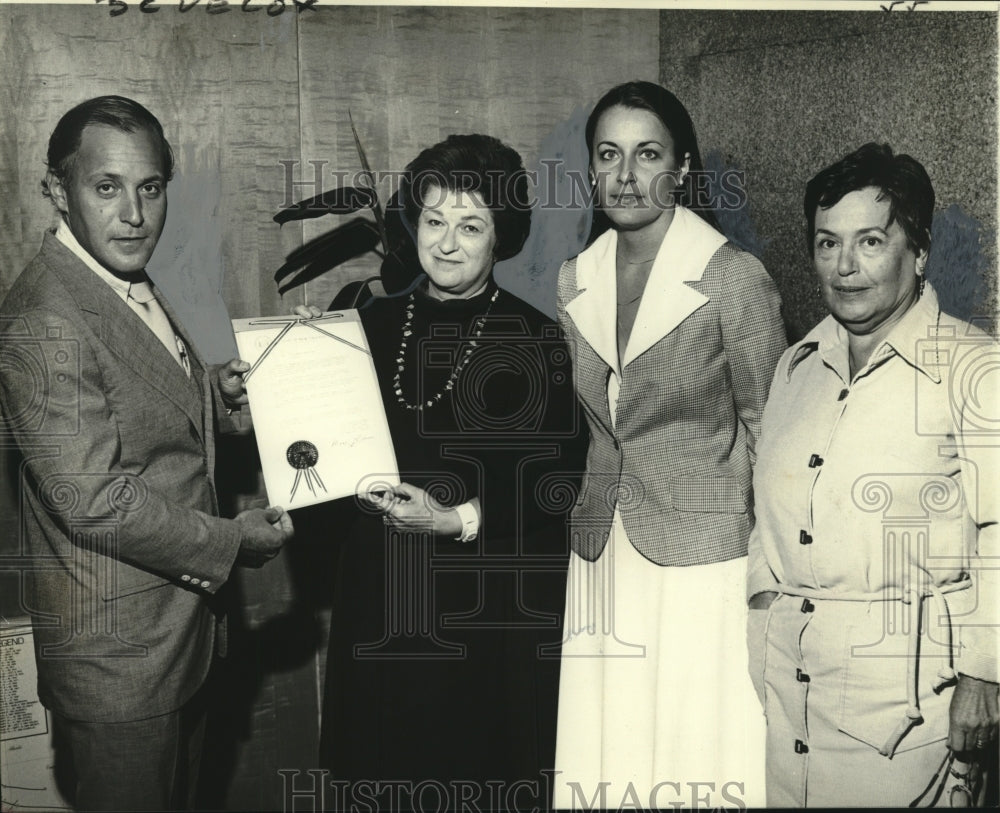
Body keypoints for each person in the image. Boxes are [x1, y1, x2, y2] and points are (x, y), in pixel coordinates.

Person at [0, 95, 293, 812]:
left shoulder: (117, 276)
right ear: (56, 190)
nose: (133, 212)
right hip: (118, 664)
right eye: (107, 187)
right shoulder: (44, 317)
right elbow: (95, 500)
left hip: (172, 641)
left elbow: (144, 415)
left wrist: (218, 403)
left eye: (150, 187)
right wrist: (231, 540)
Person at [294, 134, 585, 811]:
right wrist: (295, 371)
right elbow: (318, 457)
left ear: (500, 236)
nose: (447, 243)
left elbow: (561, 478)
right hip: (378, 595)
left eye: (470, 225)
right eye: (434, 221)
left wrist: (455, 518)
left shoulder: (536, 337)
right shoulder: (364, 323)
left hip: (480, 618)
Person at [552, 80, 786, 811]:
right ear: (591, 168)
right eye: (608, 155)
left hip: (704, 559)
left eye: (646, 154)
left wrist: (769, 575)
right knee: (608, 750)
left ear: (680, 167)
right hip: (601, 549)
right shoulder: (574, 278)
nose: (625, 176)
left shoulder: (733, 278)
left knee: (697, 749)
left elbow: (770, 432)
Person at [746, 142, 999, 807]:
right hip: (794, 706)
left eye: (870, 241)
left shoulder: (974, 368)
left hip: (907, 720)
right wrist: (764, 621)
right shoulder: (795, 367)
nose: (846, 266)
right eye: (827, 244)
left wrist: (985, 675)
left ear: (917, 250)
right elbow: (767, 527)